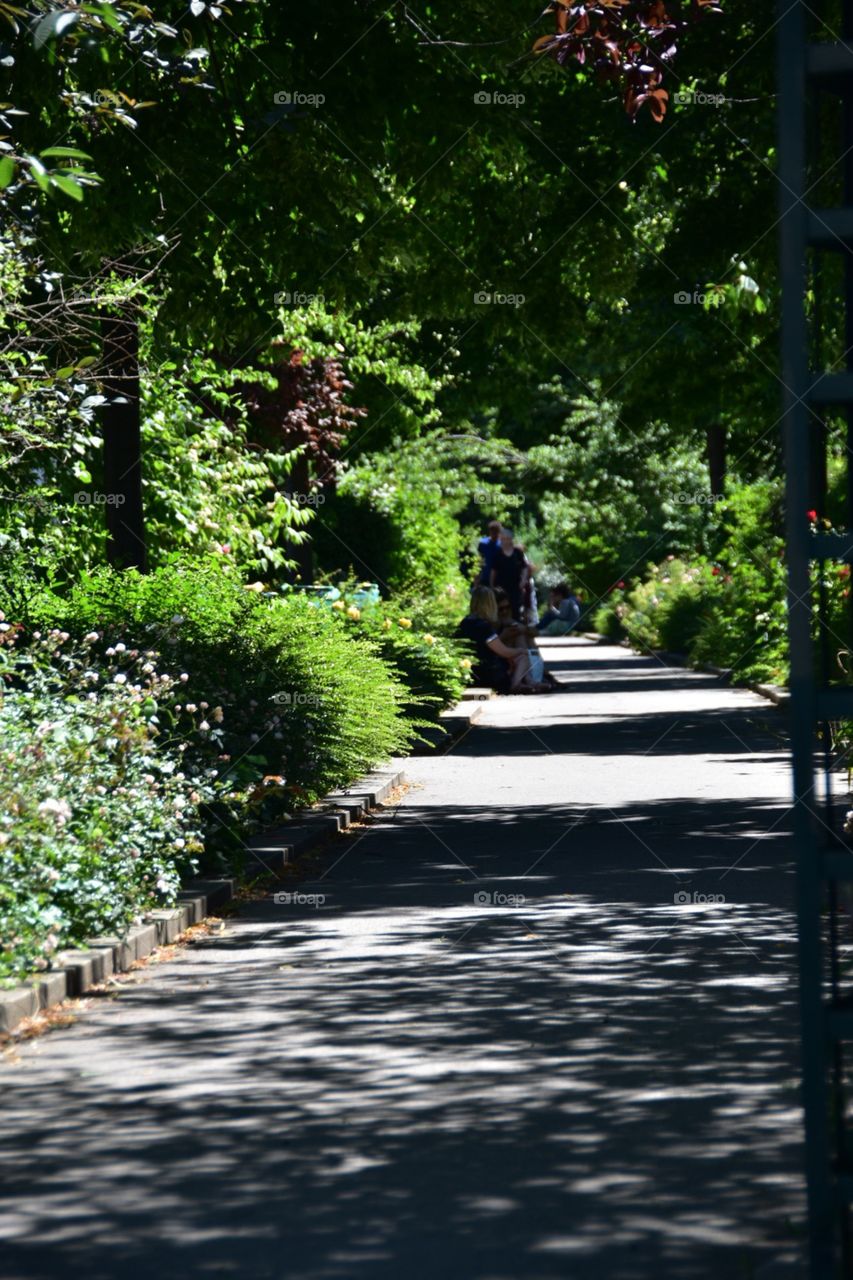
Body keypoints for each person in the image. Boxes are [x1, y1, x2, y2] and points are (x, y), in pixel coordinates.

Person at [456, 586, 550, 693]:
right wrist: (522, 651)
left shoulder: (465, 622)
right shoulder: (482, 625)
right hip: (488, 674)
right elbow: (504, 651)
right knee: (521, 655)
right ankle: (516, 684)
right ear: (490, 604)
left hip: (472, 672)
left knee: (516, 651)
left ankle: (527, 681)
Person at [490, 529, 527, 621]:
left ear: (511, 539)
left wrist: (523, 581)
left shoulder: (517, 553)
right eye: (503, 539)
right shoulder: (497, 554)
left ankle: (516, 628)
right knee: (501, 608)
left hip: (515, 586)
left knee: (515, 608)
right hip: (501, 588)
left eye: (507, 539)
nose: (505, 541)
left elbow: (525, 568)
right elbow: (493, 571)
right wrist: (492, 586)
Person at [477, 520, 503, 586]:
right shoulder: (483, 543)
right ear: (489, 531)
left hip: (498, 579)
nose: (494, 533)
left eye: (496, 531)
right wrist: (477, 578)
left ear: (499, 532)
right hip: (485, 576)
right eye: (492, 531)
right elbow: (479, 561)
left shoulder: (502, 545)